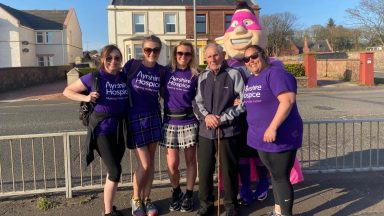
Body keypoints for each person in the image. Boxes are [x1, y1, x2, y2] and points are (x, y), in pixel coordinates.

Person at [63, 44, 127, 216]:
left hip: (120, 130)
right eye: (109, 58)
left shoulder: (123, 77)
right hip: (101, 130)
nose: (113, 61)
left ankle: (109, 207)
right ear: (103, 60)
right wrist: (86, 96)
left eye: (117, 58)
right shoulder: (95, 77)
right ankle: (107, 212)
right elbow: (67, 91)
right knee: (115, 171)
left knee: (113, 171)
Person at [242, 45, 303, 216]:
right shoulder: (251, 79)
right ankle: (278, 211)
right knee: (275, 176)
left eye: (253, 56)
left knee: (281, 177)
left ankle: (285, 214)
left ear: (263, 55)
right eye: (246, 59)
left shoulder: (276, 74)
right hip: (260, 139)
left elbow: (288, 101)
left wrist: (272, 127)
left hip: (281, 137)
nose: (250, 61)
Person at [223, 0, 269, 206]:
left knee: (259, 153)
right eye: (235, 25)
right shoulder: (226, 65)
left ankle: (263, 182)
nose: (240, 29)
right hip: (238, 119)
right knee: (241, 153)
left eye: (247, 24)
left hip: (259, 118)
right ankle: (244, 186)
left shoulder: (269, 65)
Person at [194, 43, 245, 216]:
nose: (212, 59)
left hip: (228, 131)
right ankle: (205, 204)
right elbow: (197, 102)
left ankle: (231, 205)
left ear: (222, 55)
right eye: (209, 56)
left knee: (229, 170)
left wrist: (222, 119)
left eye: (215, 55)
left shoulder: (234, 74)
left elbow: (243, 101)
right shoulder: (202, 77)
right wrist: (207, 117)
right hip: (206, 131)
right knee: (206, 169)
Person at [123, 35, 164, 216]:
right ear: (142, 50)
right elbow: (114, 80)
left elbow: (172, 91)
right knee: (144, 164)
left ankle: (147, 198)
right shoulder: (132, 65)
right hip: (135, 117)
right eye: (148, 49)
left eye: (155, 50)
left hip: (154, 115)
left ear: (159, 51)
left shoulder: (162, 71)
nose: (152, 53)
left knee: (151, 161)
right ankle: (135, 198)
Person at [160, 41, 199, 212]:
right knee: (172, 164)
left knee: (191, 161)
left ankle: (189, 194)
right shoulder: (166, 72)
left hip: (189, 121)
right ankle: (176, 191)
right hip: (169, 122)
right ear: (175, 54)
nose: (183, 57)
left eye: (187, 54)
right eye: (180, 53)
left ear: (192, 56)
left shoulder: (196, 75)